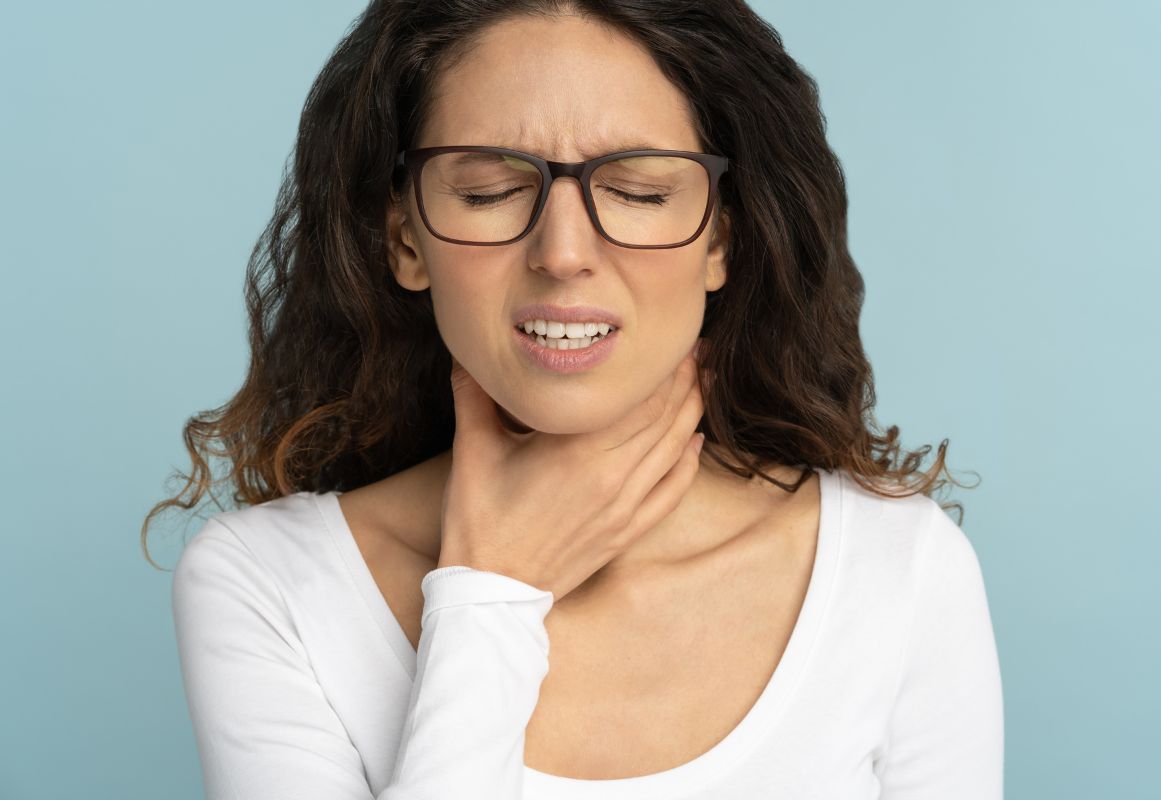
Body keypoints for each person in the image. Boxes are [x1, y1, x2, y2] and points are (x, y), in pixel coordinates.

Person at [148, 1, 1004, 798]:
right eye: (488, 191)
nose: (563, 253)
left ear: (723, 240)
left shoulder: (900, 571)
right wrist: (491, 590)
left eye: (637, 192)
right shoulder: (265, 586)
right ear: (404, 239)